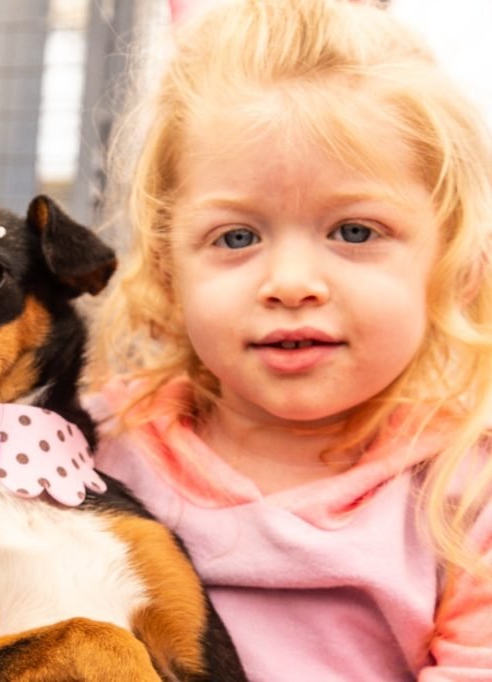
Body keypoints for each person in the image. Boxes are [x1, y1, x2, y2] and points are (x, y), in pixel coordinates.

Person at [85, 0, 492, 678]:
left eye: (355, 232)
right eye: (236, 237)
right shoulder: (86, 453)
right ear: (165, 265)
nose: (292, 283)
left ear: (450, 258)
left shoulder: (467, 495)